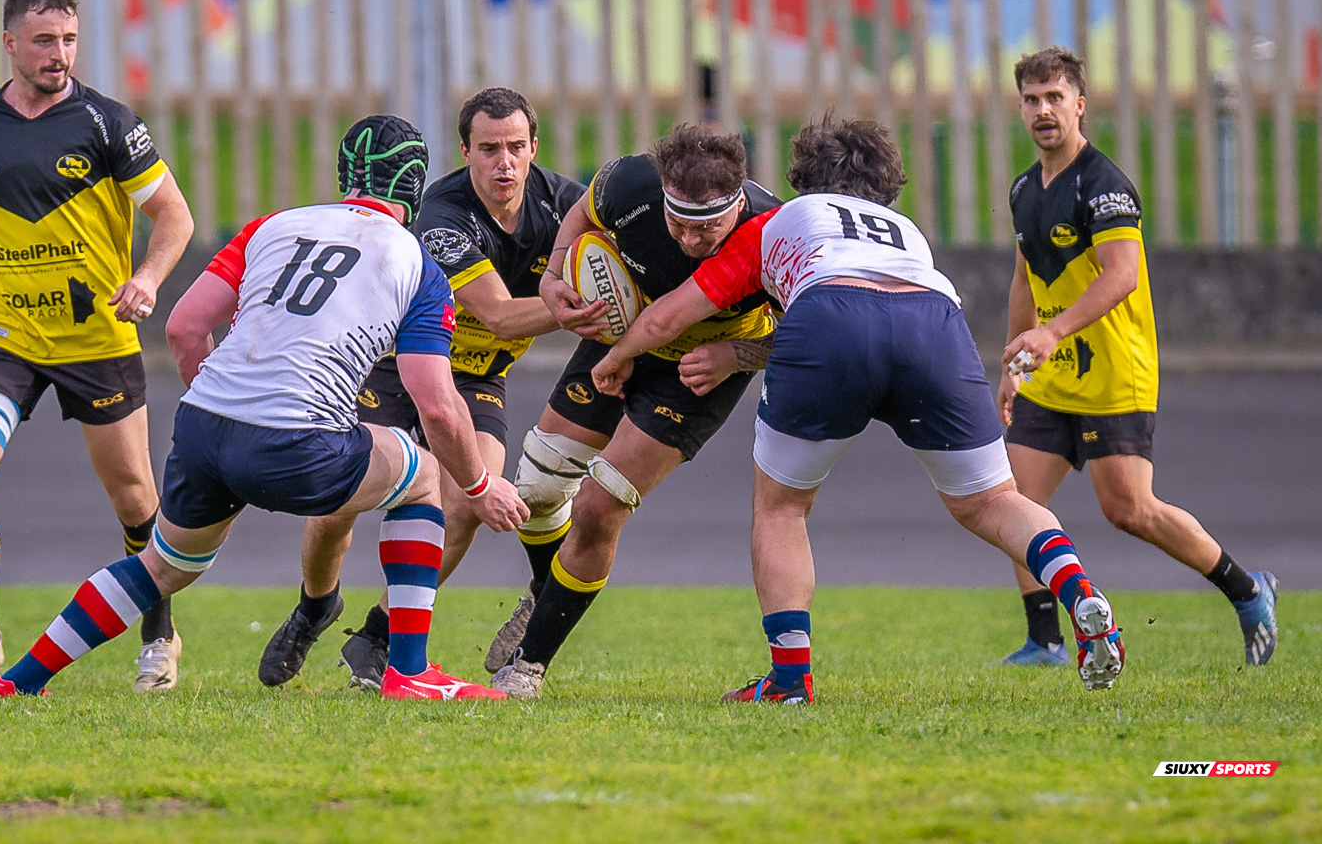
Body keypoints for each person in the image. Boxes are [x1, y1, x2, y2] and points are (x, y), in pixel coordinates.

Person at [0, 115, 529, 701]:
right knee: (422, 480)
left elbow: (186, 328)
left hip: (203, 424)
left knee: (163, 568)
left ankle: (17, 682)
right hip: (296, 442)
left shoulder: (274, 224)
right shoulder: (418, 265)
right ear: (416, 185)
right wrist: (476, 486)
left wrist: (227, 416)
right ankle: (410, 672)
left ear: (346, 174)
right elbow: (438, 406)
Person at [589, 117, 1127, 701]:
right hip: (935, 322)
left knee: (782, 510)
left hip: (830, 316)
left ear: (803, 179)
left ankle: (790, 681)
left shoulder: (780, 220)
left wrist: (617, 357)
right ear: (885, 188)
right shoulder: (907, 231)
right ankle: (1076, 589)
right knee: (996, 501)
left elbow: (672, 316)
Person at [0, 0, 195, 693]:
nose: (60, 54)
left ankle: (159, 634)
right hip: (7, 335)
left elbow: (175, 217)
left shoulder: (107, 123)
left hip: (97, 339)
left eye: (70, 40)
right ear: (10, 43)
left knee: (134, 498)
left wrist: (146, 279)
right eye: (46, 40)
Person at [258, 88, 594, 689]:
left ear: (534, 147)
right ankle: (315, 605)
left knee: (468, 497)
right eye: (488, 149)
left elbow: (610, 225)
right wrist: (582, 309)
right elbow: (497, 315)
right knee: (338, 506)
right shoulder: (442, 214)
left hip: (478, 375)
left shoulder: (562, 202)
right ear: (465, 151)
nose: (504, 163)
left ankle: (381, 633)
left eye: (516, 147)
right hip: (398, 362)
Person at [995, 48, 1276, 667]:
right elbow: (1024, 282)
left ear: (1079, 104)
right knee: (1012, 500)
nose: (1044, 110)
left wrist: (1053, 333)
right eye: (1032, 99)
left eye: (1055, 98)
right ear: (1020, 108)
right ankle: (1044, 640)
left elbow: (1121, 276)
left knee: (1129, 510)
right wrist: (1015, 366)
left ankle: (1249, 591)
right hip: (1051, 377)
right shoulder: (1024, 189)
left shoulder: (1105, 186)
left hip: (1114, 374)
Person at [486, 124, 781, 698]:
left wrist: (736, 354)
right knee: (538, 489)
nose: (692, 240)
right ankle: (548, 595)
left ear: (738, 203)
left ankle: (528, 667)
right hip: (622, 329)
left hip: (699, 368)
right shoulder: (630, 182)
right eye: (679, 225)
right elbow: (584, 214)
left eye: (708, 228)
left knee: (598, 507)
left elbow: (810, 334)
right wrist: (554, 274)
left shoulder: (774, 232)